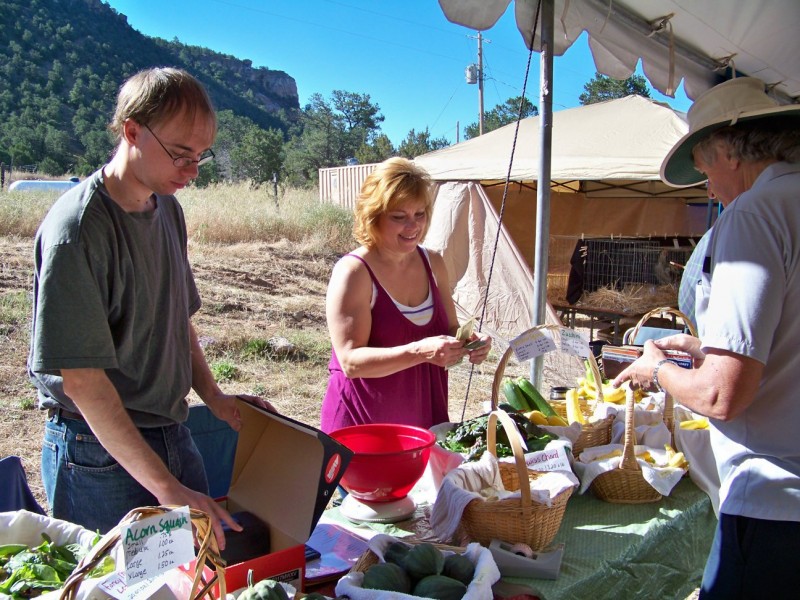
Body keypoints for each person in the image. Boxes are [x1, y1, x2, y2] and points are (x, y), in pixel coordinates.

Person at [28, 67, 269, 549]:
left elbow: (177, 319)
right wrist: (167, 489)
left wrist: (215, 397)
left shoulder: (167, 209)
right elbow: (82, 382)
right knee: (116, 582)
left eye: (201, 157)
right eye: (181, 154)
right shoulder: (78, 229)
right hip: (97, 449)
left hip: (170, 429)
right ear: (132, 131)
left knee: (197, 571)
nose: (192, 171)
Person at [612, 77, 800, 597]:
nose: (708, 186)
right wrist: (704, 349)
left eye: (704, 168)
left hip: (776, 503)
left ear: (729, 152)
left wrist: (657, 370)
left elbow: (722, 394)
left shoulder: (755, 213)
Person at [320, 157, 491, 433]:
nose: (413, 226)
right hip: (363, 428)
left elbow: (449, 329)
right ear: (373, 217)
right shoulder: (354, 272)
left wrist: (471, 342)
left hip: (424, 425)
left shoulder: (433, 263)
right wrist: (419, 352)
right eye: (399, 217)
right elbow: (350, 362)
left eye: (420, 214)